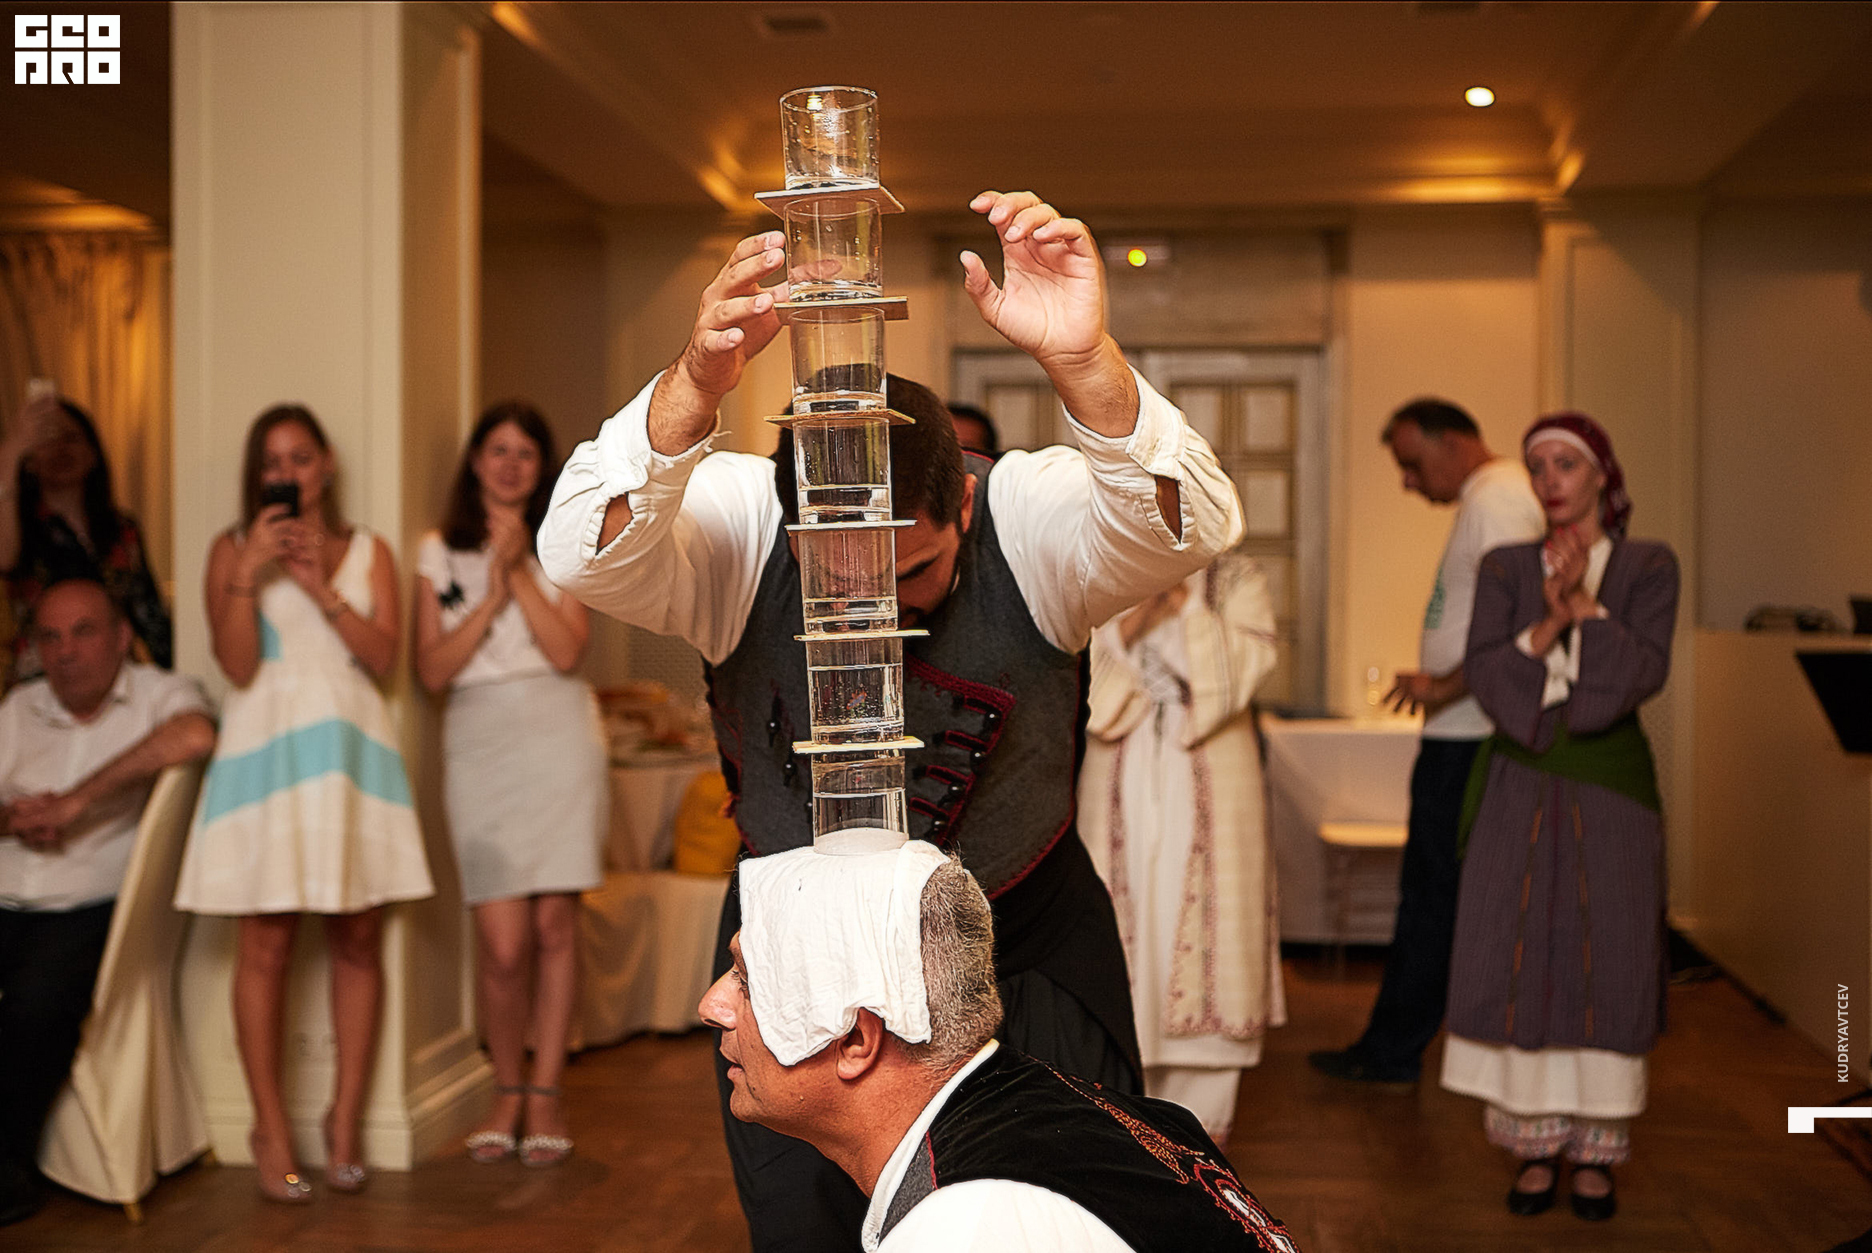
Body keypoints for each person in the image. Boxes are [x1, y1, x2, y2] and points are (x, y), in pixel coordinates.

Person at [540, 189, 1244, 1250]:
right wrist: (693, 387)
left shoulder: (1022, 513)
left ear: (962, 503)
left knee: (1058, 1218)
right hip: (800, 977)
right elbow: (579, 554)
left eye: (910, 572)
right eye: (835, 582)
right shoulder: (742, 520)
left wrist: (1084, 359)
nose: (872, 605)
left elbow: (1188, 525)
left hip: (1023, 950)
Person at [696, 832, 1300, 1253]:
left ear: (855, 1039)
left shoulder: (965, 1228)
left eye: (748, 980)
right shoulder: (1045, 1103)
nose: (711, 1006)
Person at [173, 404, 433, 1202]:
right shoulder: (231, 549)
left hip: (350, 757)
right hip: (267, 754)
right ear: (259, 475)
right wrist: (250, 570)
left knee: (358, 935)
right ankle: (270, 1128)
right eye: (271, 461)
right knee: (266, 942)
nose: (286, 472)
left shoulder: (370, 549)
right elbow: (236, 666)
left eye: (299, 457)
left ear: (326, 465)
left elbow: (384, 657)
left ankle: (344, 1120)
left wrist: (321, 588)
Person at [1440, 413, 1677, 1222]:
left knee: (1609, 952)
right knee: (1516, 951)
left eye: (1566, 463)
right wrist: (1550, 618)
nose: (1549, 479)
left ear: (1601, 474)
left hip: (1612, 790)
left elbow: (1636, 678)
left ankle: (1597, 1151)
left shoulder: (1649, 564)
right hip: (1519, 785)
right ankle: (1534, 1145)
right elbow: (1488, 678)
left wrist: (1584, 604)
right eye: (1537, 464)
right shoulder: (1507, 566)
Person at [1309, 398, 1543, 1087]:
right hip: (1458, 728)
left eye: (1412, 464)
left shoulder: (1499, 500)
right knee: (1430, 893)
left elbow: (1527, 623)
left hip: (1471, 737)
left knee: (1434, 896)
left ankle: (1396, 1050)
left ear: (1454, 441)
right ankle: (1396, 1045)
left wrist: (1448, 685)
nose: (1408, 482)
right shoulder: (1487, 499)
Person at [414, 401, 605, 1168]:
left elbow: (565, 651)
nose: (510, 464)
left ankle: (546, 1092)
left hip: (558, 734)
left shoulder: (564, 544)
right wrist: (490, 588)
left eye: (525, 452)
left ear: (541, 466)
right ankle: (505, 1087)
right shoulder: (436, 549)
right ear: (475, 461)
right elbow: (432, 669)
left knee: (555, 927)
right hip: (478, 738)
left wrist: (521, 566)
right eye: (498, 449)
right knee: (501, 943)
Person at [0, 579, 214, 1225]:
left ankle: (6, 1172)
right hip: (7, 894)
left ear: (122, 637)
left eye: (84, 631)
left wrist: (77, 801)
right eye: (50, 637)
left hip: (87, 905)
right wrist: (13, 818)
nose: (65, 651)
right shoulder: (20, 705)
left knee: (33, 1005)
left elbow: (196, 735)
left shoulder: (159, 693)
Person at [1080, 554, 1283, 1140]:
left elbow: (1241, 673)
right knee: (1122, 919)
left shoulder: (1237, 579)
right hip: (1117, 774)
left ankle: (1198, 1142)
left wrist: (1186, 602)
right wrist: (1139, 613)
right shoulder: (1104, 574)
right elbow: (1084, 679)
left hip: (1213, 780)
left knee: (1203, 928)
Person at [0, 392, 173, 682]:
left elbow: (149, 612)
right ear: (29, 460)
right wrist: (10, 454)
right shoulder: (18, 526)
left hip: (114, 681)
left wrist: (174, 678)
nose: (60, 450)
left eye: (71, 439)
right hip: (42, 683)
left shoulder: (121, 528)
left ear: (93, 453)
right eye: (48, 440)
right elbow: (4, 557)